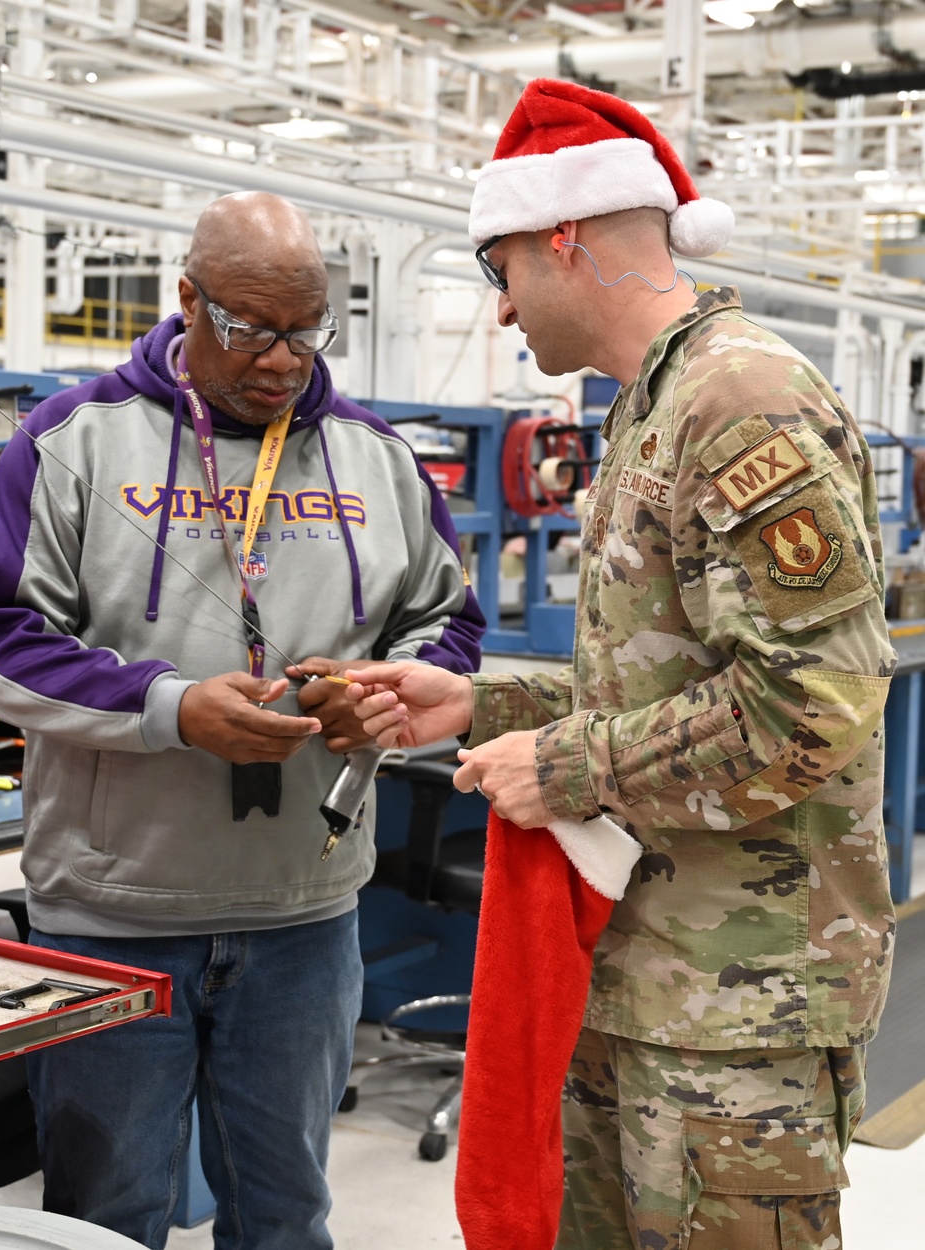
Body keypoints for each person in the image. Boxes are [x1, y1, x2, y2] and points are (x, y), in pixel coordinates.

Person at [345, 80, 896, 1250]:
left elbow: (812, 702)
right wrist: (479, 697)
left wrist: (568, 763)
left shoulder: (738, 400)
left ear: (562, 239)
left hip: (737, 1004)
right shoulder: (649, 408)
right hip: (650, 974)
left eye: (498, 273)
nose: (498, 313)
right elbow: (662, 676)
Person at [0, 190, 484, 1250]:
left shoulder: (377, 460)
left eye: (305, 329)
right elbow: (1, 640)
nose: (283, 360)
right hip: (114, 914)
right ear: (186, 300)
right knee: (105, 1217)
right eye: (250, 328)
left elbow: (451, 626)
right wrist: (169, 710)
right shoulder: (74, 441)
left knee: (287, 1215)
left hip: (305, 913)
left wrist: (382, 695)